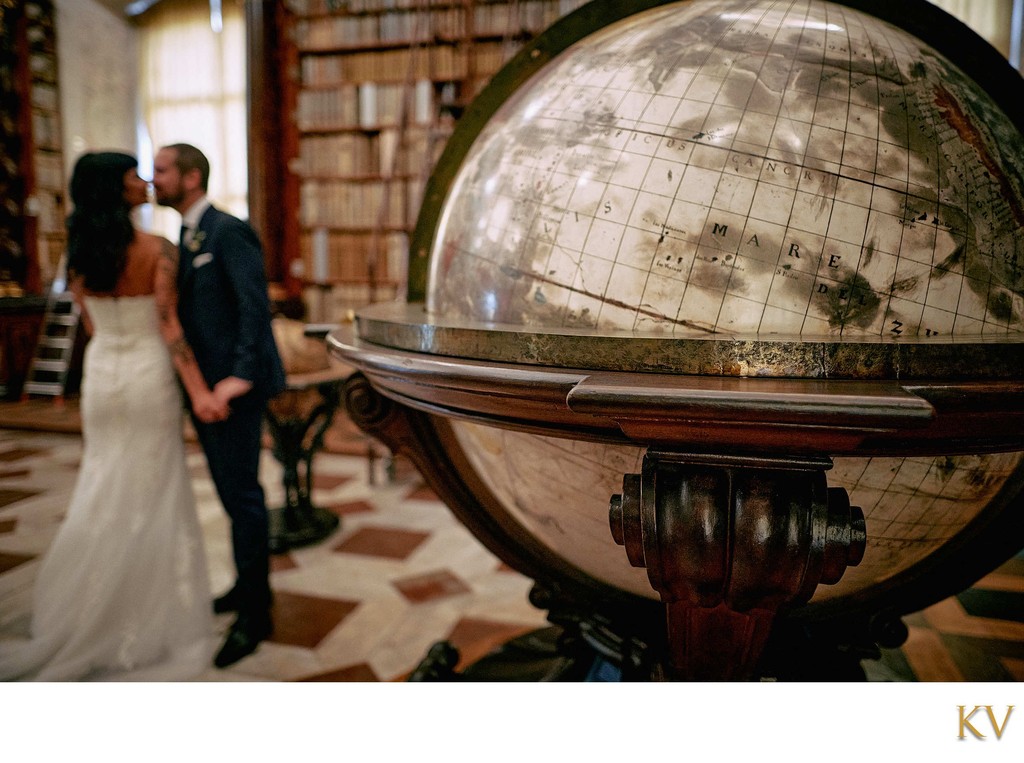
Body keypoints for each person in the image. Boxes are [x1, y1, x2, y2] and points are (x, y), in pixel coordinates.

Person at [0, 151, 227, 681]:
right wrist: (200, 394)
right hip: (147, 374)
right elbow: (170, 328)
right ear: (114, 188)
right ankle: (139, 615)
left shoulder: (77, 253)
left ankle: (83, 607)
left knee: (102, 485)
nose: (144, 181)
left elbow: (92, 326)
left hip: (103, 375)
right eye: (133, 176)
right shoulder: (158, 250)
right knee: (151, 491)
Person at [152, 143, 285, 669]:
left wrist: (238, 379)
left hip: (233, 390)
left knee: (245, 498)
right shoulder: (185, 237)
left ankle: (256, 614)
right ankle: (247, 587)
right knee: (233, 498)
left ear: (189, 177)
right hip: (205, 390)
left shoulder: (229, 231)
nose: (152, 178)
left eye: (161, 170)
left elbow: (256, 310)